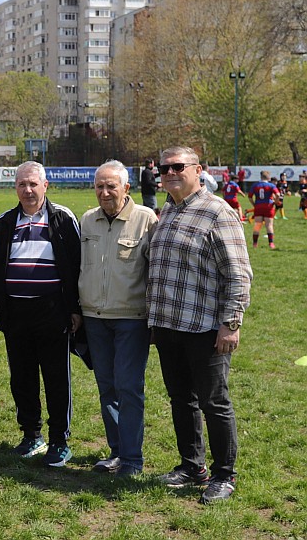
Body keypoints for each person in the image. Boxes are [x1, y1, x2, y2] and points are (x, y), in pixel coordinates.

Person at [148, 146, 252, 504]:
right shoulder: (168, 210)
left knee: (213, 401)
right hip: (168, 325)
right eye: (164, 167)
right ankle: (192, 465)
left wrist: (231, 323)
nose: (170, 172)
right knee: (181, 399)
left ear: (198, 170)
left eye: (178, 166)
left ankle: (225, 474)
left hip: (206, 328)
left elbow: (238, 275)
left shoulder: (217, 212)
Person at [0, 161, 81, 468]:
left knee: (55, 377)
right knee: (22, 377)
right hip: (15, 311)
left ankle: (59, 440)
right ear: (15, 188)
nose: (27, 190)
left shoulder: (63, 218)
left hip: (52, 310)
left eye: (33, 184)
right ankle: (31, 435)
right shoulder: (5, 220)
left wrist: (75, 308)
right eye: (22, 184)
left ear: (45, 186)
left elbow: (78, 266)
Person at [78, 160, 157, 477]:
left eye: (111, 186)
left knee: (128, 388)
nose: (105, 192)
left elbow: (156, 271)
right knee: (107, 388)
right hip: (94, 318)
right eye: (99, 186)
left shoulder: (146, 219)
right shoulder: (87, 220)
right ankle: (117, 452)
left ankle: (133, 459)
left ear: (127, 188)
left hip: (131, 319)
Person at [249, 170, 279, 249]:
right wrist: (275, 203)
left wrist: (254, 204)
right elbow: (278, 194)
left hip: (258, 205)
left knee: (257, 224)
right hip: (268, 206)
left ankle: (255, 243)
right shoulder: (271, 185)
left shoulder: (255, 185)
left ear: (261, 176)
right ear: (268, 177)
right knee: (269, 225)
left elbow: (250, 197)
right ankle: (271, 243)